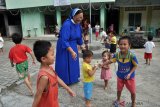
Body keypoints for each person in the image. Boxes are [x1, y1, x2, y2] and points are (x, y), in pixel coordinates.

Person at [32, 40, 76, 107]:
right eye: (52, 55)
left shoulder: (50, 68)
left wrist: (68, 89)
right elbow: (38, 95)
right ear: (43, 59)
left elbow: (57, 78)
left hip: (54, 102)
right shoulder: (44, 77)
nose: (54, 56)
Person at [55, 8, 84, 85]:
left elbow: (79, 37)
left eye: (82, 17)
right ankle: (63, 81)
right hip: (64, 47)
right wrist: (71, 51)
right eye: (79, 17)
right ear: (74, 16)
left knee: (73, 62)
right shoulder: (67, 24)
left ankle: (73, 79)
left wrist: (81, 45)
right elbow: (64, 40)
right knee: (64, 63)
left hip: (73, 45)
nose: (81, 19)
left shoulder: (78, 25)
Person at [107, 36, 138, 107]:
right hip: (120, 77)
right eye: (120, 44)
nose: (122, 46)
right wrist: (102, 64)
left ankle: (133, 103)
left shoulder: (132, 56)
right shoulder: (117, 54)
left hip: (130, 78)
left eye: (125, 44)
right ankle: (118, 100)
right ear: (118, 45)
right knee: (119, 90)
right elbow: (111, 61)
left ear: (129, 45)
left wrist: (130, 74)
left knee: (133, 92)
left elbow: (135, 66)